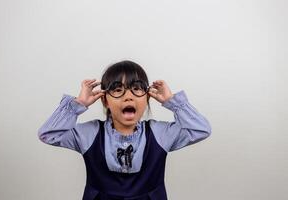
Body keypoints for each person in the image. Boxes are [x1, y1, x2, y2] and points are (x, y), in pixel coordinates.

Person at [38, 60, 212, 200]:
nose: (128, 96)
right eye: (117, 90)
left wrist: (173, 102)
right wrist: (78, 104)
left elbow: (200, 129)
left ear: (148, 97)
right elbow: (49, 134)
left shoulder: (160, 134)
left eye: (136, 89)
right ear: (105, 101)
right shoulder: (90, 134)